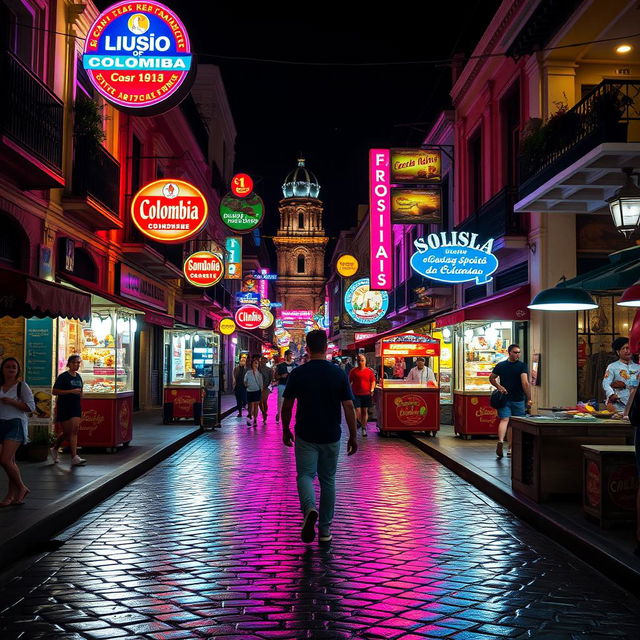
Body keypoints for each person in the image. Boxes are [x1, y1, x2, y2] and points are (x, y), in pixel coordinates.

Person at [282, 330, 357, 544]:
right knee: (328, 480)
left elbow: (287, 406)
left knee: (305, 475)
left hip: (306, 432)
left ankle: (309, 509)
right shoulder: (338, 373)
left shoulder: (298, 373)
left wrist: (286, 429)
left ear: (307, 348)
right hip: (331, 434)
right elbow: (349, 406)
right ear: (326, 348)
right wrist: (353, 435)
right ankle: (325, 531)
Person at [0, 357, 34, 506]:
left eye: (14, 367)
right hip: (1, 423)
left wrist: (12, 402)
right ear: (2, 369)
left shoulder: (22, 386)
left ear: (17, 370)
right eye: (8, 367)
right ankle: (11, 495)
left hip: (16, 424)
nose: (11, 370)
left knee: (5, 460)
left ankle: (21, 487)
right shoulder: (0, 386)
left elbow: (31, 407)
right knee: (10, 462)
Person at [489, 344, 531, 458]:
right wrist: (529, 398)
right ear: (509, 352)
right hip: (518, 399)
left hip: (504, 398)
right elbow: (525, 383)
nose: (518, 354)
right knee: (513, 424)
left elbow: (492, 378)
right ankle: (511, 448)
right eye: (515, 352)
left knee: (504, 420)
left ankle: (501, 441)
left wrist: (499, 387)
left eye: (519, 352)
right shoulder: (522, 366)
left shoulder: (501, 365)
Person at [52, 354, 86, 466]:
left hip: (75, 406)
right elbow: (55, 391)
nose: (76, 365)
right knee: (67, 432)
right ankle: (55, 448)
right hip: (64, 406)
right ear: (69, 364)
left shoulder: (78, 377)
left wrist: (81, 394)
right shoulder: (63, 377)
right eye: (74, 362)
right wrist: (70, 392)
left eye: (78, 363)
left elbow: (81, 390)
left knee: (75, 430)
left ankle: (74, 457)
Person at [603, 337, 640, 413]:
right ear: (618, 352)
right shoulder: (612, 367)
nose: (627, 351)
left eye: (629, 348)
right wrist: (611, 395)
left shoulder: (638, 367)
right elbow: (606, 383)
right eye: (624, 348)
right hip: (618, 406)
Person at [349, 354, 375, 437]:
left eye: (362, 360)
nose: (360, 362)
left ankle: (363, 428)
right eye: (359, 360)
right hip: (356, 394)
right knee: (357, 410)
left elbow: (373, 381)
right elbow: (349, 382)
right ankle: (360, 422)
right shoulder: (353, 371)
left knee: (364, 411)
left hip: (366, 394)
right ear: (357, 361)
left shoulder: (369, 371)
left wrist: (372, 390)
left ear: (365, 361)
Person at [275, 350, 297, 423]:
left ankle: (288, 417)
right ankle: (279, 414)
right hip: (282, 385)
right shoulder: (280, 366)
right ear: (286, 356)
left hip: (292, 386)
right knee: (280, 401)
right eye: (289, 355)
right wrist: (281, 376)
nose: (291, 356)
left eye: (291, 354)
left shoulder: (295, 366)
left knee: (291, 402)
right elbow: (276, 376)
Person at [244, 356, 263, 427]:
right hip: (249, 391)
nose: (255, 365)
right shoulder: (248, 372)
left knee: (256, 406)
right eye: (254, 363)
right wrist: (246, 385)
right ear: (252, 364)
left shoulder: (259, 374)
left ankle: (255, 419)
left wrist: (261, 390)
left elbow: (261, 383)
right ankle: (249, 416)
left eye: (257, 363)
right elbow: (245, 381)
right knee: (250, 406)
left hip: (257, 391)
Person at [258, 356, 271, 422]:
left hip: (266, 387)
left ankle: (264, 412)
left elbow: (270, 379)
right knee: (260, 402)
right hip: (258, 387)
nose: (263, 361)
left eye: (265, 360)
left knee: (264, 401)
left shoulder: (269, 369)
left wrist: (266, 386)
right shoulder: (257, 368)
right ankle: (263, 412)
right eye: (262, 359)